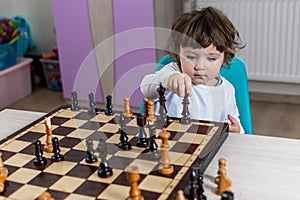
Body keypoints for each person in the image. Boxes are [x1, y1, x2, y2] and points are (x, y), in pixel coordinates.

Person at [140, 7, 245, 133]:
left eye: (211, 58)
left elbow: (234, 122)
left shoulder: (227, 89)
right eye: (191, 57)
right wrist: (168, 80)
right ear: (179, 52)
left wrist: (237, 130)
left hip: (207, 147)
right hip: (170, 143)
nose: (200, 66)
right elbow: (146, 87)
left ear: (224, 57)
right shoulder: (173, 72)